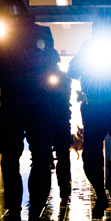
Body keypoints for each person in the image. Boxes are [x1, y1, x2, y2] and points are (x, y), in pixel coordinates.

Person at [0, 0, 61, 221]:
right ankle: (21, 216)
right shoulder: (7, 36)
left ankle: (28, 216)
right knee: (19, 161)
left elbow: (51, 63)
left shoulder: (39, 33)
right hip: (20, 104)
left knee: (33, 160)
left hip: (30, 103)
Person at [67, 12, 111, 218]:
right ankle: (101, 196)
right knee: (91, 155)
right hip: (97, 107)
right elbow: (72, 70)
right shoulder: (88, 47)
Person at [46, 69, 73, 201]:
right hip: (60, 122)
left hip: (49, 121)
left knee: (44, 157)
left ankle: (62, 188)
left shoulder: (40, 74)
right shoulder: (64, 78)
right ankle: (64, 188)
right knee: (63, 157)